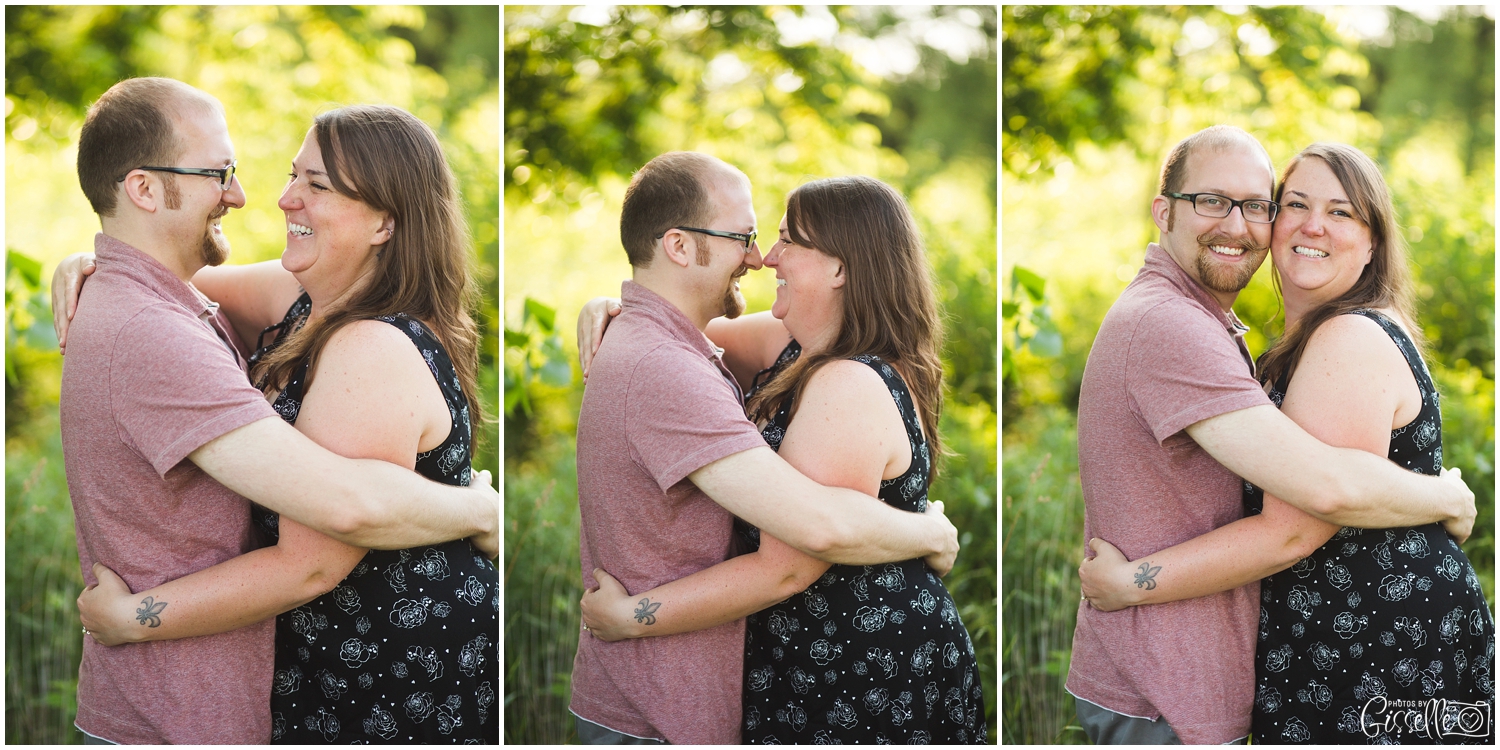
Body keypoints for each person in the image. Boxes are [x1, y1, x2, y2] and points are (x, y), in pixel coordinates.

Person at [56, 78, 495, 745]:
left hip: (386, 683)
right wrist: (94, 260)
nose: (271, 197)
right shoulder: (294, 297)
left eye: (317, 185)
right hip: (275, 685)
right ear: (143, 188)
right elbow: (161, 284)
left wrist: (132, 617)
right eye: (292, 176)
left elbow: (320, 551)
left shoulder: (369, 345)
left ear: (385, 221)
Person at [1062, 125, 1476, 745]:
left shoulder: (1344, 337)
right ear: (1163, 211)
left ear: (1372, 246)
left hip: (1376, 650)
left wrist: (1131, 582)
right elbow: (1318, 494)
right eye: (1295, 205)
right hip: (1188, 678)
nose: (1310, 226)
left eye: (1255, 204)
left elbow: (1302, 519)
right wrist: (1443, 496)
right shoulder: (1181, 323)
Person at [568, 152, 961, 744]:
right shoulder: (790, 344)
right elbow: (677, 338)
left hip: (859, 671)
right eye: (748, 238)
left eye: (783, 240)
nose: (764, 257)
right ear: (679, 245)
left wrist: (632, 619)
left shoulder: (845, 381)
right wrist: (615, 305)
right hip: (790, 668)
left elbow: (799, 558)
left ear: (839, 268)